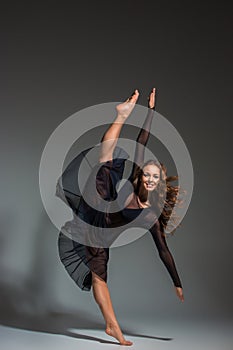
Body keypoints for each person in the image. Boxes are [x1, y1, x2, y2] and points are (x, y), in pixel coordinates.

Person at [57, 88, 184, 346]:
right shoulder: (135, 179)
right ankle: (121, 116)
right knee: (107, 162)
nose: (148, 178)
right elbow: (143, 140)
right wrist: (150, 112)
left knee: (99, 276)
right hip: (100, 201)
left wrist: (177, 282)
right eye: (146, 174)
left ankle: (111, 326)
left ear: (159, 183)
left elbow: (163, 251)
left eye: (154, 177)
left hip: (99, 233)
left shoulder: (150, 216)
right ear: (141, 176)